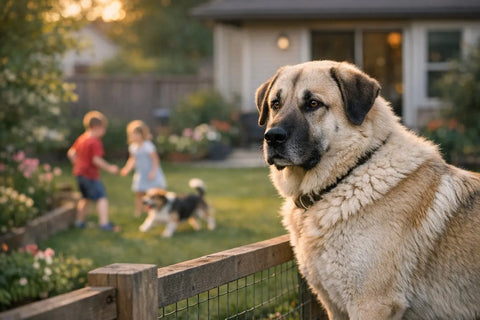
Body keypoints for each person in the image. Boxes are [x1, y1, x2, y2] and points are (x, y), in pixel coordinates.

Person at [67, 110, 120, 232]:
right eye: (103, 129)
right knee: (102, 197)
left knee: (85, 198)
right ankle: (104, 224)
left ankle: (79, 222)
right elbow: (96, 160)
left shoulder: (82, 138)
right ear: (96, 127)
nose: (104, 132)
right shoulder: (94, 142)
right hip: (90, 175)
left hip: (79, 174)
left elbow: (71, 153)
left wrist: (78, 163)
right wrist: (110, 168)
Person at [120, 120, 167, 217]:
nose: (135, 137)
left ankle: (155, 211)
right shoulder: (133, 147)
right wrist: (126, 169)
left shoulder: (148, 146)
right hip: (141, 174)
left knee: (153, 195)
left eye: (137, 134)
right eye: (133, 134)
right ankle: (139, 211)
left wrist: (153, 172)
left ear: (143, 134)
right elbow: (132, 159)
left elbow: (155, 160)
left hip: (151, 173)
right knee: (139, 193)